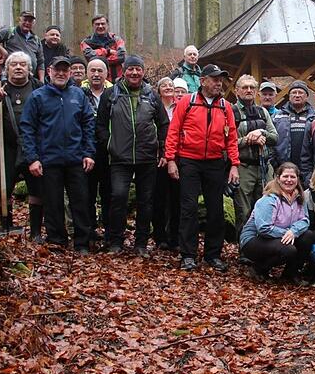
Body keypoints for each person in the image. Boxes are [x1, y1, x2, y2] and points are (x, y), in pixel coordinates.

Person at [164, 64, 240, 272]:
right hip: (189, 160)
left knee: (215, 209)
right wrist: (171, 159)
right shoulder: (187, 102)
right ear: (203, 80)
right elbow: (174, 131)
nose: (218, 83)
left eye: (220, 80)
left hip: (215, 162)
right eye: (214, 79)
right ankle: (188, 254)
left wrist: (234, 164)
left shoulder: (225, 106)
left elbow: (231, 137)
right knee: (188, 208)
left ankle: (213, 255)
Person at [20, 56, 95, 253]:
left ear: (70, 73)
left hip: (76, 159)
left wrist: (88, 153)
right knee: (53, 203)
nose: (61, 74)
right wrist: (33, 158)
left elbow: (88, 125)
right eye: (57, 70)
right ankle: (56, 240)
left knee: (80, 202)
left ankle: (82, 243)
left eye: (65, 70)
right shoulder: (38, 96)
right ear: (50, 71)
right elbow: (27, 129)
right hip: (48, 159)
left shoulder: (78, 95)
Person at [95, 56, 169, 256]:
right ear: (123, 71)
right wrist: (109, 144)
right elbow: (100, 125)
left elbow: (163, 124)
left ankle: (141, 243)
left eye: (138, 69)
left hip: (147, 158)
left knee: (146, 201)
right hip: (120, 157)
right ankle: (115, 241)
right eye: (130, 69)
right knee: (118, 197)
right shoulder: (111, 94)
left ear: (143, 72)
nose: (134, 73)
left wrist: (162, 150)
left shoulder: (152, 96)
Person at [0, 52, 43, 237]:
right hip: (4, 148)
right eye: (14, 64)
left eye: (23, 64)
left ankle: (36, 232)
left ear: (29, 69)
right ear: (7, 69)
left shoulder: (39, 88)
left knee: (37, 190)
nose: (19, 67)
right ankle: (6, 227)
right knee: (3, 191)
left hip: (32, 149)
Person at [239, 162, 309, 280]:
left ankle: (290, 274)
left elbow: (305, 220)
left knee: (308, 236)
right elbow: (263, 228)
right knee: (289, 250)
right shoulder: (269, 198)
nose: (289, 180)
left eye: (292, 177)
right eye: (285, 176)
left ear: (297, 179)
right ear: (278, 178)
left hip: (279, 237)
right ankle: (259, 268)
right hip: (254, 239)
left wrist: (293, 231)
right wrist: (287, 233)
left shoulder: (299, 198)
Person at [232, 75, 279, 238]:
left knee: (265, 209)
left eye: (252, 87)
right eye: (244, 87)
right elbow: (225, 143)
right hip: (243, 167)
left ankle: (263, 246)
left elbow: (275, 137)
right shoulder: (231, 112)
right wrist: (247, 140)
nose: (248, 90)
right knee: (244, 211)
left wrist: (262, 132)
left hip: (264, 167)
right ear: (236, 90)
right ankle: (245, 247)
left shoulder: (262, 111)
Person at [82, 58, 112, 237]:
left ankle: (110, 231)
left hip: (109, 151)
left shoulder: (115, 93)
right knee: (87, 194)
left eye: (100, 71)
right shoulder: (80, 93)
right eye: (92, 70)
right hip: (86, 151)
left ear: (106, 74)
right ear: (87, 73)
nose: (96, 74)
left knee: (109, 193)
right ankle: (89, 231)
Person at [152, 77, 181, 251]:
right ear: (159, 89)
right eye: (164, 85)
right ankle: (159, 236)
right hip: (157, 159)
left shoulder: (181, 107)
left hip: (178, 158)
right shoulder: (154, 106)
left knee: (176, 199)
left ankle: (175, 236)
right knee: (159, 198)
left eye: (171, 85)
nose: (168, 88)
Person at [0, 10, 44, 82]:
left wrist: (41, 80)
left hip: (29, 78)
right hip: (9, 77)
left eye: (30, 21)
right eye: (25, 20)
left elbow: (41, 62)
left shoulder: (36, 40)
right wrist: (4, 52)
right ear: (19, 20)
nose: (27, 23)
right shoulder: (10, 32)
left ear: (33, 23)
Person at [273, 80, 315, 168]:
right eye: (293, 92)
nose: (297, 95)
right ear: (289, 96)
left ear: (307, 96)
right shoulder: (277, 116)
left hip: (309, 166)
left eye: (300, 92)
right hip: (283, 167)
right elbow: (271, 140)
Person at [81, 15, 127, 80]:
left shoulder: (116, 39)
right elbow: (90, 56)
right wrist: (108, 51)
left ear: (107, 25)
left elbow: (122, 56)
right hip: (96, 79)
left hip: (116, 79)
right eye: (97, 24)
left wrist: (99, 58)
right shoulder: (86, 42)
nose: (100, 26)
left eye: (103, 24)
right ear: (93, 26)